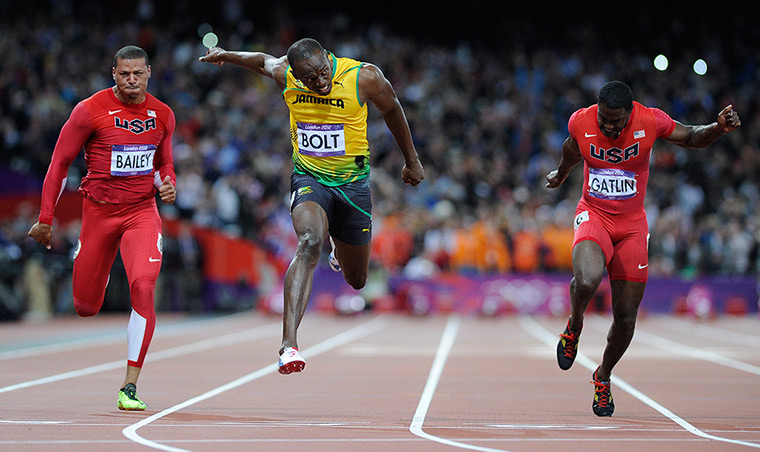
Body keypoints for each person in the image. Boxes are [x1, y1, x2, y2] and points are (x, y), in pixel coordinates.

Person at [199, 38, 424, 374]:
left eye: (322, 74)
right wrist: (226, 56)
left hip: (353, 186)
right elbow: (261, 61)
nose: (319, 83)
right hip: (310, 178)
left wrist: (411, 160)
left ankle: (338, 243)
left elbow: (392, 107)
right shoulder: (286, 74)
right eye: (310, 80)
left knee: (357, 280)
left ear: (328, 60)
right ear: (296, 76)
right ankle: (288, 345)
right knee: (308, 243)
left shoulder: (363, 77)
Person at [545, 81, 741, 417]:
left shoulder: (649, 121)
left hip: (633, 226)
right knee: (588, 280)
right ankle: (574, 326)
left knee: (625, 318)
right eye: (604, 120)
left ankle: (603, 377)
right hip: (594, 214)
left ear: (630, 112)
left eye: (615, 121)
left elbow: (692, 137)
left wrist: (718, 128)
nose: (608, 126)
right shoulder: (581, 121)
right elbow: (571, 149)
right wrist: (562, 174)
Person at [28, 45, 177, 411]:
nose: (131, 80)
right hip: (99, 213)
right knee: (85, 306)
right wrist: (46, 219)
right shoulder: (88, 111)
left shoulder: (163, 114)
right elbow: (59, 165)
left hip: (142, 212)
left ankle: (129, 385)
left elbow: (164, 163)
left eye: (137, 74)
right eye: (124, 74)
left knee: (143, 285)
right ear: (113, 73)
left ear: (149, 73)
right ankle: (96, 264)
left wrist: (168, 182)